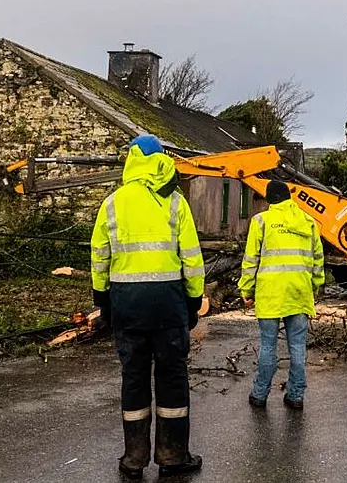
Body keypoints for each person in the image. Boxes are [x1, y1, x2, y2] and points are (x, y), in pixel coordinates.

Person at [90, 134, 205, 480]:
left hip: (127, 305)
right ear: (160, 161)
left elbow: (99, 257)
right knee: (172, 378)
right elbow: (192, 258)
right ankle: (172, 455)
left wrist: (103, 301)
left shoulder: (112, 203)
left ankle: (134, 458)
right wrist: (193, 301)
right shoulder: (175, 202)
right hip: (169, 305)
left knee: (134, 379)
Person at [239, 180, 325, 410]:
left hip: (270, 294)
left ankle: (260, 394)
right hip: (299, 292)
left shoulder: (261, 222)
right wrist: (314, 285)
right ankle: (296, 395)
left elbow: (250, 261)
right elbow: (318, 259)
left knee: (268, 346)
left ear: (269, 199)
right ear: (289, 197)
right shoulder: (308, 221)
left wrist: (246, 290)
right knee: (297, 347)